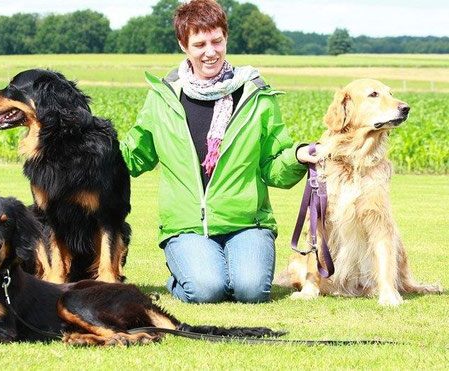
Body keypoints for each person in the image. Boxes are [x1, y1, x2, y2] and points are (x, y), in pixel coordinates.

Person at [120, 0, 317, 304]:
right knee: (207, 290)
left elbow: (273, 167)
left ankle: (215, 268)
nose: (210, 51)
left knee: (251, 291)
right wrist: (88, 147)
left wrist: (298, 156)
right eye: (199, 43)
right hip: (186, 225)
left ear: (226, 38)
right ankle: (183, 278)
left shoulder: (256, 97)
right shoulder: (162, 98)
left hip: (246, 222)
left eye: (217, 41)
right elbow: (134, 157)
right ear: (183, 44)